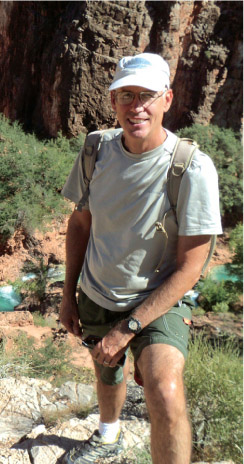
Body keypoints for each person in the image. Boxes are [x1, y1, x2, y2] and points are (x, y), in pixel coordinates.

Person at [59, 53, 222, 464]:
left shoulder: (191, 168)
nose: (137, 107)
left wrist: (129, 328)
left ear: (167, 99)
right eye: (127, 95)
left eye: (147, 96)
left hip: (158, 296)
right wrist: (68, 293)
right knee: (107, 370)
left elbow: (191, 266)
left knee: (164, 391)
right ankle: (108, 438)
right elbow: (80, 224)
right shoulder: (96, 150)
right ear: (113, 101)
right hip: (98, 290)